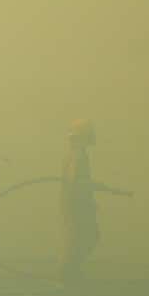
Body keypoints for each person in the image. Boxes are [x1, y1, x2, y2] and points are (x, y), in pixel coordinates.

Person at [59, 119, 99, 285]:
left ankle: (71, 273)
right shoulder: (78, 155)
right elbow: (75, 182)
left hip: (76, 204)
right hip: (78, 205)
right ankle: (70, 275)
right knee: (85, 237)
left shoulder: (75, 154)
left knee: (80, 237)